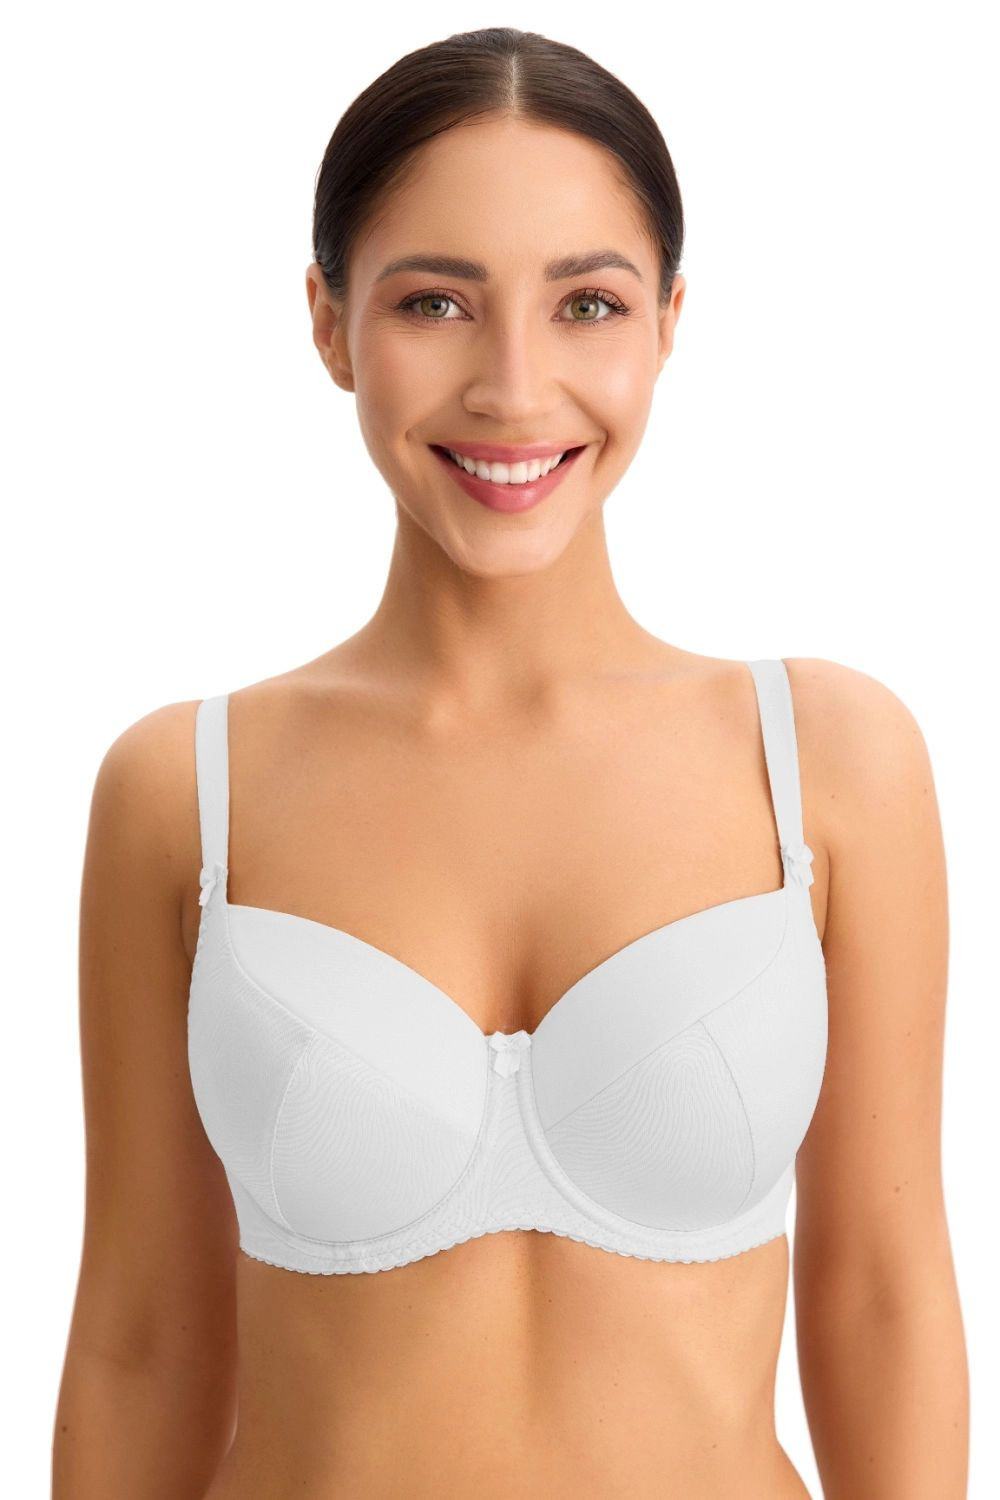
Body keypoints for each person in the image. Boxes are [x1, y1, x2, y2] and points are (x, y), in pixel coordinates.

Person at [52, 26, 968, 1500]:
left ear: (667, 323)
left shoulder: (825, 765)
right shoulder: (183, 792)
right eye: (436, 303)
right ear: (329, 324)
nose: (514, 388)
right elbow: (142, 1339)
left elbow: (882, 1296)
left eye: (587, 303)